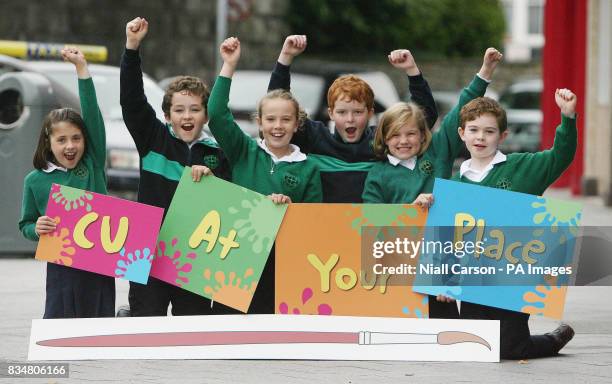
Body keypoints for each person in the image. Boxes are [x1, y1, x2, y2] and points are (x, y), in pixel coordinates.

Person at [362, 48, 502, 319]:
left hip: (442, 255)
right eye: (395, 135)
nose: (404, 141)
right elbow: (370, 217)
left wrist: (485, 71)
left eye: (411, 134)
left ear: (422, 134)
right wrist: (409, 210)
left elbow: (462, 108)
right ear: (383, 138)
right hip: (401, 259)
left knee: (448, 322)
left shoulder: (437, 152)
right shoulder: (378, 173)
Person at [121, 17, 236, 316]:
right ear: (167, 115)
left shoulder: (218, 153)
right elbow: (132, 101)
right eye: (179, 109)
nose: (187, 116)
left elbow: (233, 206)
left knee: (193, 327)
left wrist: (214, 182)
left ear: (206, 115)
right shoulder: (152, 138)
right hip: (147, 251)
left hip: (194, 256)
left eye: (195, 109)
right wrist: (132, 47)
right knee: (145, 324)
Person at [452, 89, 578, 359]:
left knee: (511, 349)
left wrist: (567, 117)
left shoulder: (522, 167)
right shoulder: (454, 184)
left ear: (503, 136)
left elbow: (560, 157)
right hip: (474, 281)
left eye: (489, 131)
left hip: (513, 276)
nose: (481, 137)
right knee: (476, 345)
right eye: (474, 130)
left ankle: (554, 338)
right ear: (462, 133)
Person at [208, 37, 322, 313]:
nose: (278, 126)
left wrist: (291, 209)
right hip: (237, 259)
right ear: (259, 123)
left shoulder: (308, 167)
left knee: (269, 334)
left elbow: (315, 220)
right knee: (229, 332)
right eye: (270, 120)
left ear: (297, 124)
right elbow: (216, 115)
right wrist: (229, 65)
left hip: (282, 264)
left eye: (285, 120)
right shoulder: (244, 151)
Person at [267, 35, 438, 202]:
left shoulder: (381, 142)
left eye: (357, 112)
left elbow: (422, 117)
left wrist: (412, 70)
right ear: (331, 113)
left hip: (368, 227)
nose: (350, 119)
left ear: (370, 113)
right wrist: (286, 57)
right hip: (324, 226)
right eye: (342, 112)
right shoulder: (315, 137)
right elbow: (277, 106)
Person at [18, 46, 115, 319]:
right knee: (61, 324)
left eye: (76, 138)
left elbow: (92, 117)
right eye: (61, 140)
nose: (70, 146)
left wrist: (82, 69)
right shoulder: (35, 181)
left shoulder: (93, 164)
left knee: (98, 327)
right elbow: (25, 224)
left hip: (99, 265)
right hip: (61, 269)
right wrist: (36, 228)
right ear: (48, 143)